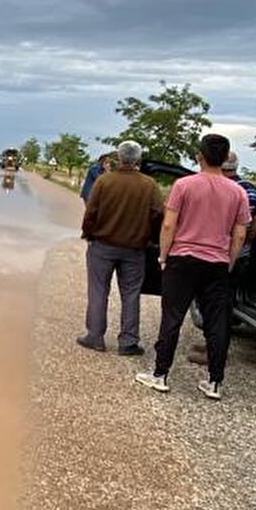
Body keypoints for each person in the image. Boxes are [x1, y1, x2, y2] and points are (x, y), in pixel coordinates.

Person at [135, 132, 251, 399]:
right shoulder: (238, 192)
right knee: (217, 323)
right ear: (225, 159)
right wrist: (229, 261)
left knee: (172, 317)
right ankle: (215, 382)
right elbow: (241, 233)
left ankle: (160, 374)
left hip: (183, 259)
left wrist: (164, 256)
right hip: (217, 263)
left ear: (199, 157)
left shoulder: (184, 185)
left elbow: (168, 224)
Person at [77, 140, 165, 356]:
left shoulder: (104, 181)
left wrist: (88, 234)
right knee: (131, 294)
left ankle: (95, 337)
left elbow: (91, 212)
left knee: (98, 290)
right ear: (138, 160)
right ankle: (128, 342)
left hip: (102, 246)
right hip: (135, 250)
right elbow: (158, 216)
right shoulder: (149, 185)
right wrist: (152, 240)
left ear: (118, 158)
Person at [187, 151, 256, 365]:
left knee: (216, 305)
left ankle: (215, 352)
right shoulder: (248, 188)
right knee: (221, 303)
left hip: (217, 253)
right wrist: (249, 240)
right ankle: (212, 344)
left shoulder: (219, 188)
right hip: (238, 256)